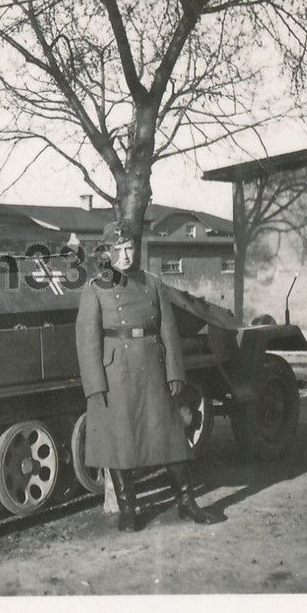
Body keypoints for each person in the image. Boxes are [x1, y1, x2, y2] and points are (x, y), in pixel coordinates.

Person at [75, 219, 221, 531]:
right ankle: (129, 508)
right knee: (120, 443)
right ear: (108, 253)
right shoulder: (96, 289)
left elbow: (169, 331)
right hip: (116, 373)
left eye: (129, 249)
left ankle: (186, 502)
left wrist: (174, 372)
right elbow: (87, 342)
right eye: (119, 250)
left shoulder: (153, 284)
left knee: (170, 435)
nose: (125, 256)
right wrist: (95, 385)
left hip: (152, 368)